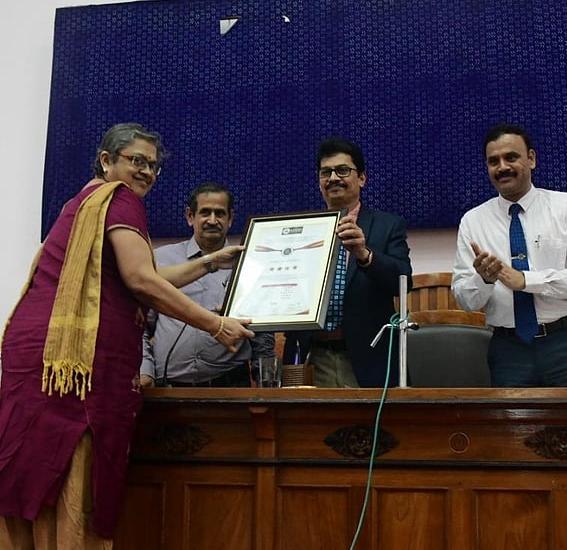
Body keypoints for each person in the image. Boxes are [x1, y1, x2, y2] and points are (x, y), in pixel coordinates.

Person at [0, 123, 254, 547]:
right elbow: (141, 281)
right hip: (73, 368)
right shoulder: (120, 200)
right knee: (71, 476)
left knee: (28, 471)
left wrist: (210, 262)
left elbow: (146, 274)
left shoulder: (81, 203)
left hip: (39, 360)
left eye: (153, 165)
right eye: (137, 161)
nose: (147, 173)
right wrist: (216, 323)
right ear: (106, 161)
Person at [451, 123, 567, 387]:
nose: (502, 167)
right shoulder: (472, 222)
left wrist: (525, 280)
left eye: (511, 157)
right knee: (512, 428)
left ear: (531, 159)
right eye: (493, 161)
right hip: (509, 349)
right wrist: (484, 280)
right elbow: (465, 299)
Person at [281, 137, 412, 387]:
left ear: (362, 178)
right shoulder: (302, 229)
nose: (333, 178)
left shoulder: (388, 225)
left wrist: (365, 255)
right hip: (310, 357)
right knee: (308, 427)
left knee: (369, 427)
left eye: (343, 170)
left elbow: (403, 282)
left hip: (367, 358)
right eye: (325, 172)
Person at [140, 182, 275, 388]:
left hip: (230, 386)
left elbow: (262, 333)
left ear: (230, 218)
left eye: (219, 213)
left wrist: (267, 387)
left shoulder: (249, 264)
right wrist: (145, 370)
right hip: (167, 389)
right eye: (205, 213)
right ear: (189, 216)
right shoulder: (161, 262)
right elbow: (139, 326)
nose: (212, 220)